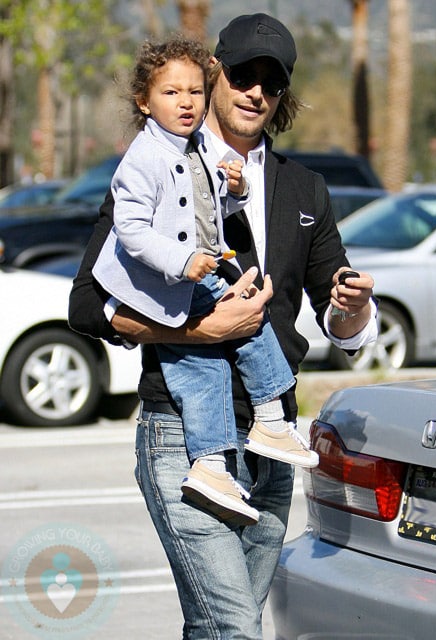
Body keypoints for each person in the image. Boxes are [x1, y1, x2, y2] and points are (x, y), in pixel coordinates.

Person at [69, 13, 378, 639]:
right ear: (215, 76)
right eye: (242, 74)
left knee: (218, 628)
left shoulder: (304, 190)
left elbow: (336, 317)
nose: (255, 91)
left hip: (272, 444)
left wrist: (353, 310)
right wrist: (195, 334)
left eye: (272, 81)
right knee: (235, 627)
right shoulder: (156, 167)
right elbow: (86, 304)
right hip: (182, 437)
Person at [92, 35, 318, 527]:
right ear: (144, 101)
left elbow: (204, 206)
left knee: (237, 332)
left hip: (193, 276)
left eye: (194, 92)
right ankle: (260, 426)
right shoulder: (142, 157)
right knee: (210, 359)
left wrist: (233, 191)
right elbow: (130, 229)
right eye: (172, 94)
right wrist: (181, 261)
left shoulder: (195, 148)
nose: (186, 103)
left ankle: (235, 446)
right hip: (164, 285)